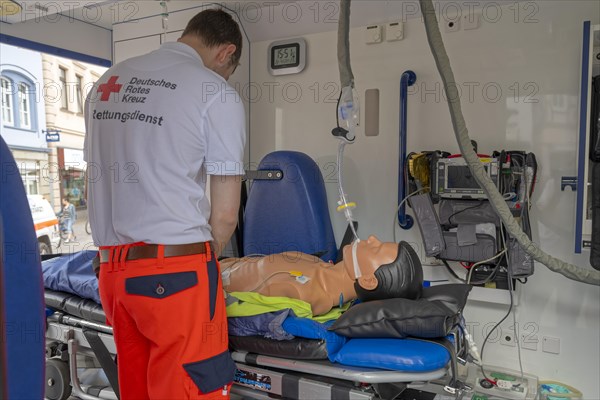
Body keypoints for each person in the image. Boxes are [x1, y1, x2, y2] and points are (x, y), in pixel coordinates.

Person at [84, 9, 245, 400]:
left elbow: (94, 184)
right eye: (228, 69)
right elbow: (225, 214)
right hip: (175, 277)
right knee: (192, 389)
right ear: (226, 52)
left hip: (112, 275)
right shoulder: (214, 91)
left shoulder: (108, 81)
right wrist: (207, 262)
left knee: (137, 390)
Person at [221, 236, 423, 316]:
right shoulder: (317, 265)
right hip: (219, 263)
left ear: (368, 280)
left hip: (207, 281)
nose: (371, 238)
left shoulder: (310, 295)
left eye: (376, 248)